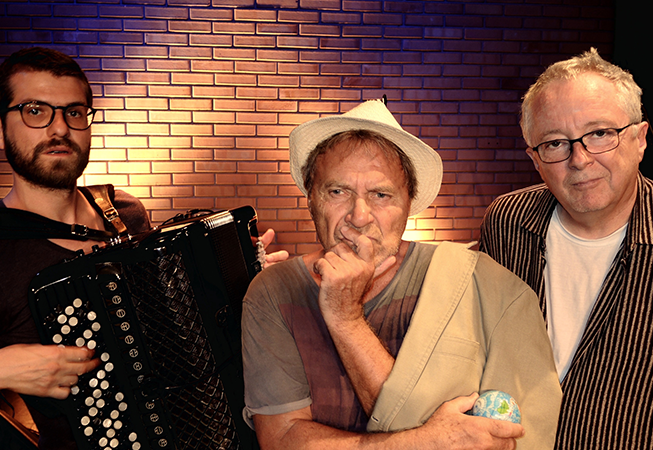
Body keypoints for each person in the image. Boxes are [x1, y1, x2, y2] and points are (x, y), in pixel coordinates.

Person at [0, 47, 287, 448]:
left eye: (74, 112)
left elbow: (178, 328)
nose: (60, 129)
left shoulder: (125, 213)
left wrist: (243, 277)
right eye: (36, 111)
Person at [241, 99, 562, 450]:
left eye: (381, 194)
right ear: (311, 200)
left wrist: (346, 317)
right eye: (337, 191)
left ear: (408, 204)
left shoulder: (487, 287)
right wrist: (426, 441)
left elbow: (525, 435)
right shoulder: (274, 291)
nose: (358, 216)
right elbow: (282, 438)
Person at [478, 48, 653, 449]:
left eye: (600, 134)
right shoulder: (507, 222)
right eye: (555, 143)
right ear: (535, 158)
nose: (579, 159)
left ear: (639, 139)